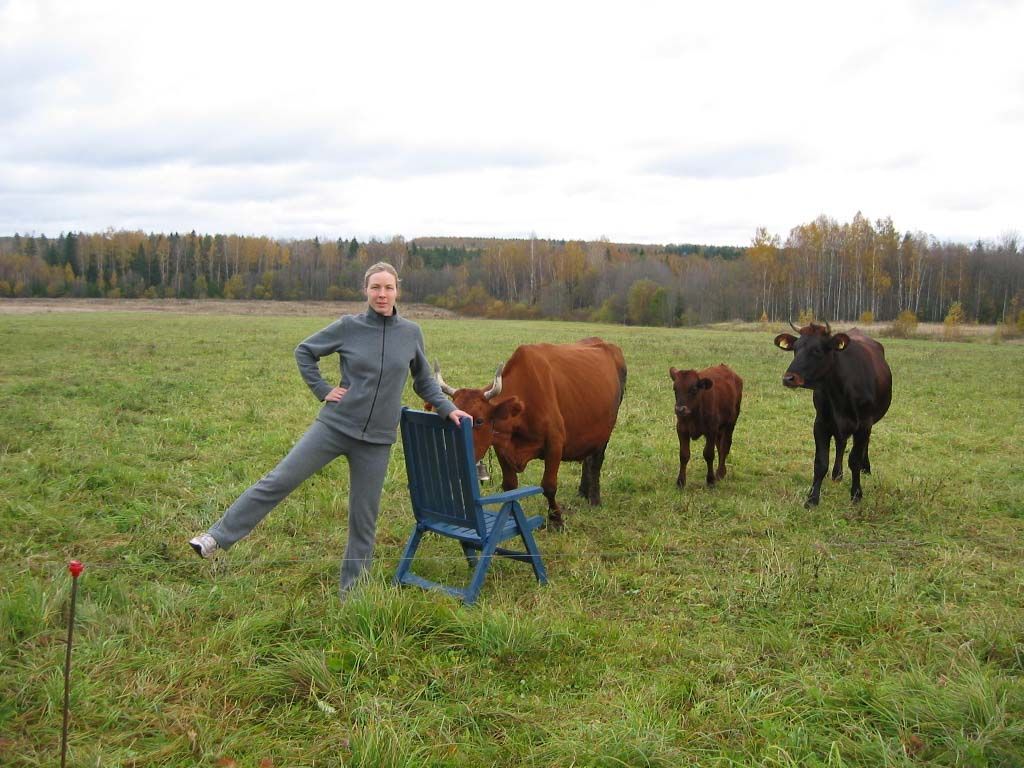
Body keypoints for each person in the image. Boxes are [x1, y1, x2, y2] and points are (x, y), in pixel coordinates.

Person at [189, 261, 471, 597]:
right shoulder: (348, 327)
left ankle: (352, 593)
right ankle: (216, 537)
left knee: (364, 519)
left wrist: (448, 408)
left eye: (388, 287)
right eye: (375, 288)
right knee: (279, 480)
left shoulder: (411, 333)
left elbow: (423, 380)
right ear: (366, 290)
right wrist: (323, 390)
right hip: (335, 426)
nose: (382, 294)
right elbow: (304, 352)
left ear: (398, 290)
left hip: (376, 441)